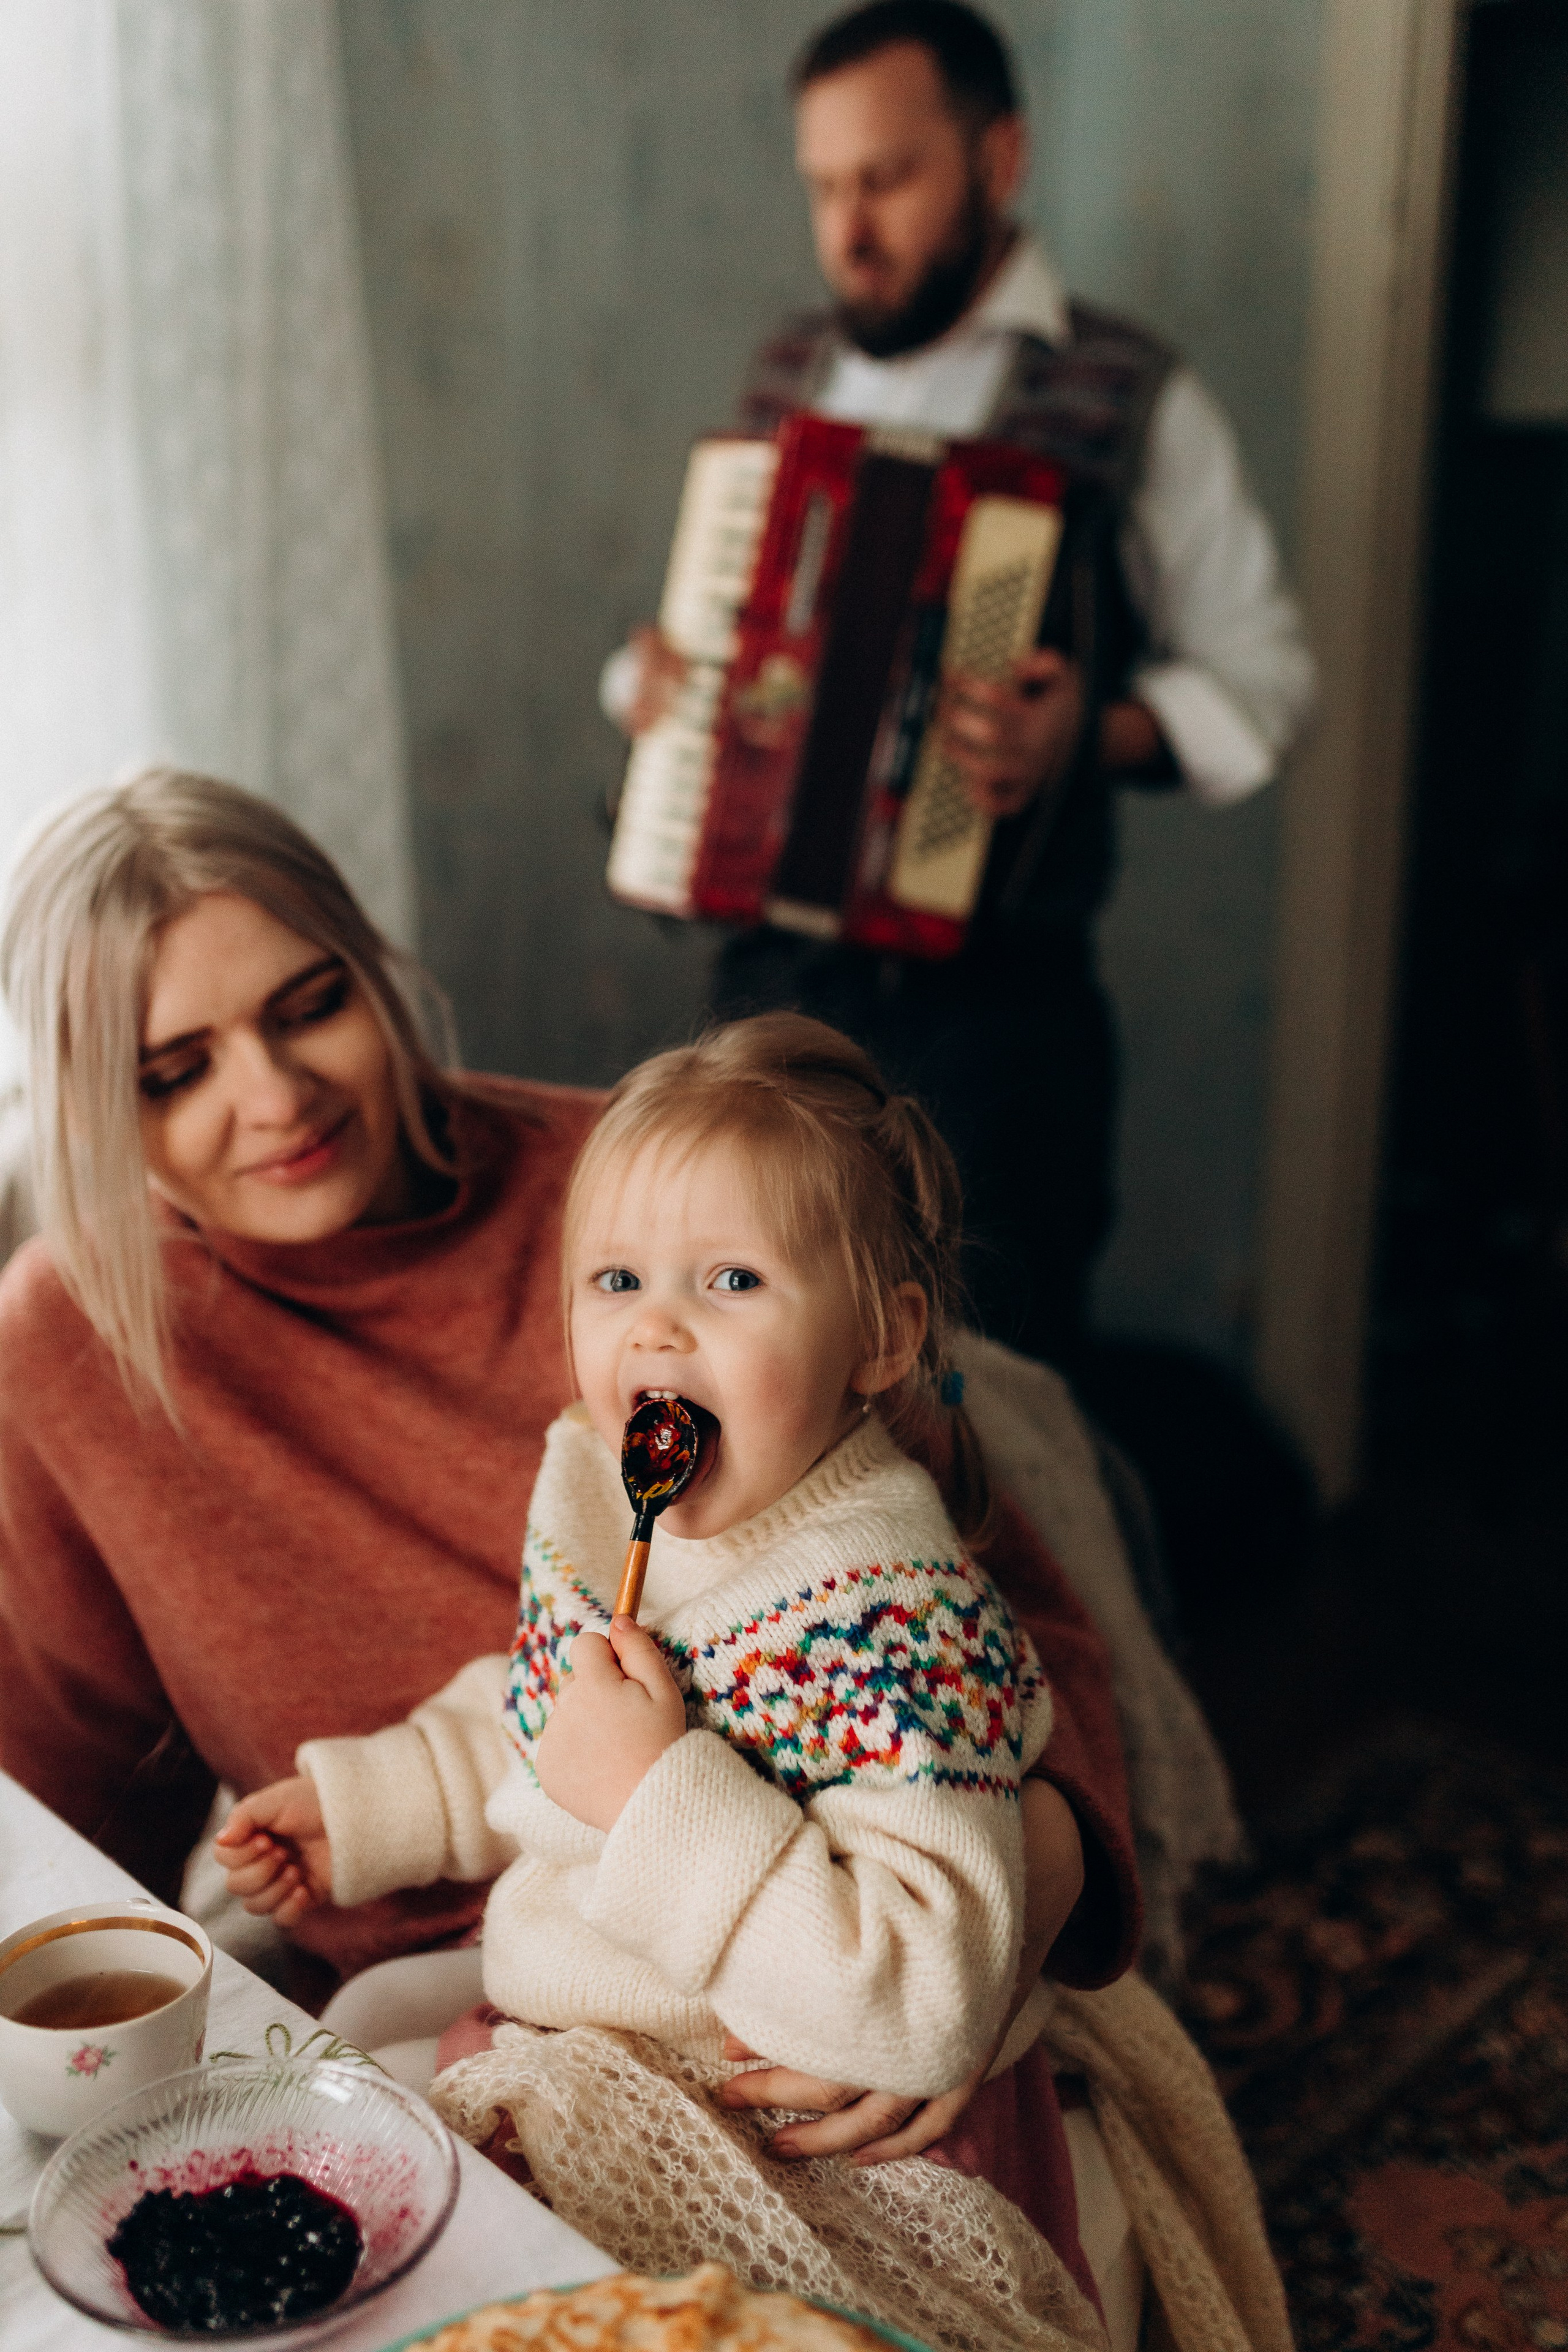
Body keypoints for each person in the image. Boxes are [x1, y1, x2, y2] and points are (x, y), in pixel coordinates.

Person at [0, 767, 1132, 2129]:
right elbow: (65, 1816)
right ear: (89, 1114)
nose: (275, 1096)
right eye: (173, 1072)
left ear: (379, 970)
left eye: (312, 1006)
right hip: (476, 2006)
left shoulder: (661, 1211)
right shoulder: (65, 1348)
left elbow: (1014, 1651)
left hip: (788, 1980)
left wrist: (942, 1991)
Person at [211, 1013, 1114, 2337]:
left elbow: (918, 1996)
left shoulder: (886, 1620)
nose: (657, 1334)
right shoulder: (599, 1478)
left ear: (878, 1337)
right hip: (581, 2038)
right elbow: (564, 1706)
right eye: (615, 1282)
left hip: (801, 2137)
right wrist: (372, 1807)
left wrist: (651, 1799)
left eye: (732, 1283)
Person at [604, 0, 1315, 1369]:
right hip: (765, 988)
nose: (846, 229)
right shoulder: (783, 376)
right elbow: (722, 656)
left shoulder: (1124, 392)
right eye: (822, 186)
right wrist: (652, 684)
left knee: (988, 1394)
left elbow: (1267, 681)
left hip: (996, 1022)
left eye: (885, 178)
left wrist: (1085, 733)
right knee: (757, 1370)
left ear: (1000, 160)